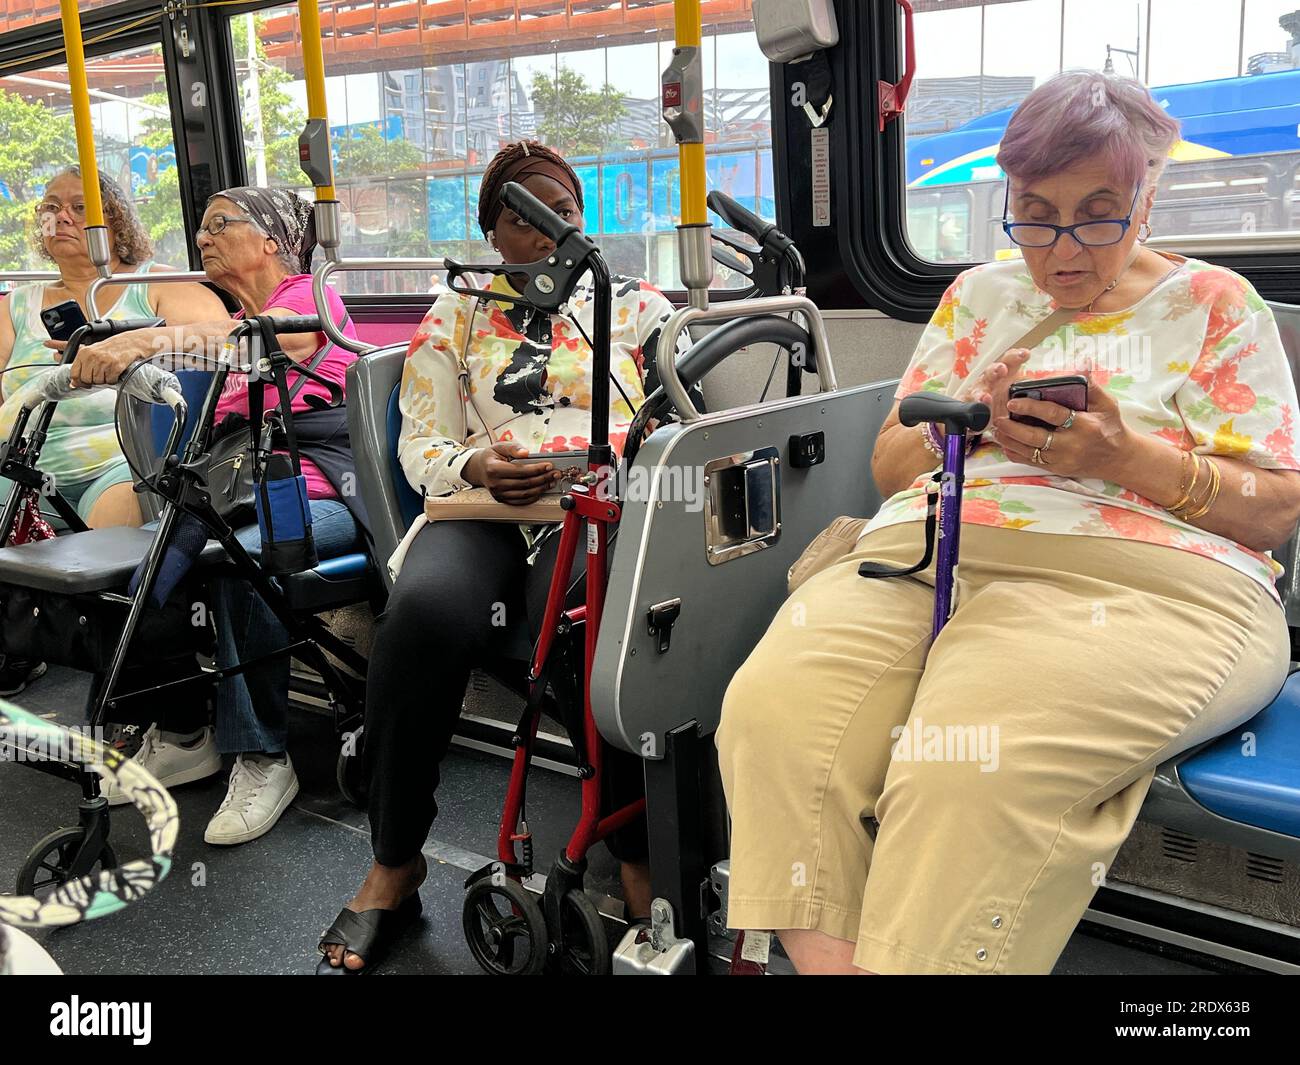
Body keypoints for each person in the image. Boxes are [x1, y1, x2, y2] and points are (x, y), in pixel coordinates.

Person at [715, 71, 1300, 975]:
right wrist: (976, 419)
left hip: (1144, 580)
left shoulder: (1217, 305)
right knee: (770, 717)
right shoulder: (977, 299)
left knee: (965, 770)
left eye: (1097, 213)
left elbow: (1275, 511)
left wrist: (1124, 458)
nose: (1062, 250)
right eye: (1034, 214)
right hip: (929, 552)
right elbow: (888, 464)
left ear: (1149, 198)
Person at [317, 140, 691, 973]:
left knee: (598, 626)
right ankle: (395, 857)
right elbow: (422, 446)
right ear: (494, 231)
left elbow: (678, 421)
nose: (548, 224)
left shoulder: (636, 307)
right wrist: (478, 465)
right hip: (484, 505)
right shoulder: (452, 315)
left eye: (562, 205)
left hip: (597, 510)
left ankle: (634, 862)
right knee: (421, 613)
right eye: (523, 210)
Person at [65, 186, 365, 845]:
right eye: (198, 227)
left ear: (270, 242)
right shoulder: (235, 323)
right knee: (147, 563)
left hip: (323, 494)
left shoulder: (310, 299)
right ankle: (183, 734)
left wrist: (146, 340)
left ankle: (262, 756)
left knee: (238, 556)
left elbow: (255, 341)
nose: (202, 238)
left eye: (218, 225)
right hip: (238, 494)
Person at [0, 167, 227, 697]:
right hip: (25, 460)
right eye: (52, 206)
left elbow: (223, 337)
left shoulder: (156, 286)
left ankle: (144, 696)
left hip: (120, 461)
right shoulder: (15, 305)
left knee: (117, 557)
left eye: (79, 208)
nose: (61, 217)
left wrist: (134, 344)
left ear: (114, 223)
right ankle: (22, 643)